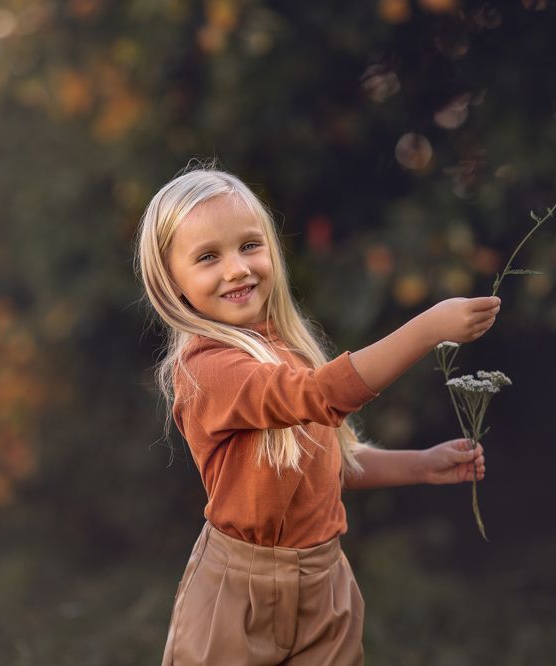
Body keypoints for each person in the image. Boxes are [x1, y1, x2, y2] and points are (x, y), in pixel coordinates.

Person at [136, 165, 499, 665]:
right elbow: (323, 396)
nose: (237, 269)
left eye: (249, 245)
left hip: (326, 587)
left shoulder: (289, 351)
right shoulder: (208, 371)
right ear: (172, 283)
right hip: (238, 594)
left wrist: (420, 465)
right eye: (207, 257)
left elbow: (329, 468)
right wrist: (428, 328)